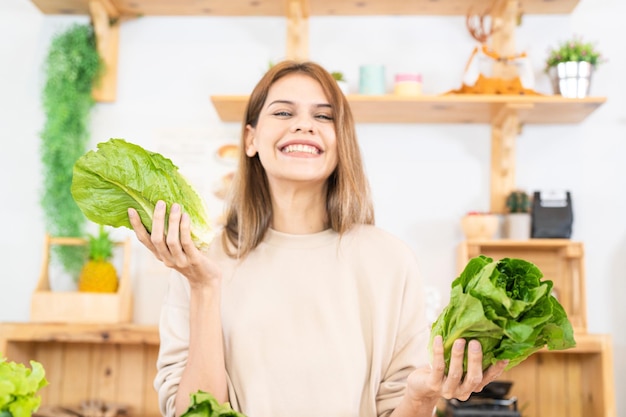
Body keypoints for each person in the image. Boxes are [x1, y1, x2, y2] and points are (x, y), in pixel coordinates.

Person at [128, 60, 508, 417]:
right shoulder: (199, 263)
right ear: (250, 139)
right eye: (283, 112)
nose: (304, 125)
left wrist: (421, 395)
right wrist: (204, 288)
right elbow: (196, 411)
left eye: (323, 116)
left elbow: (398, 405)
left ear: (340, 141)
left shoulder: (390, 260)